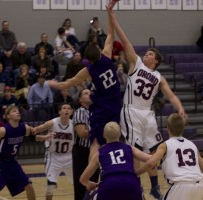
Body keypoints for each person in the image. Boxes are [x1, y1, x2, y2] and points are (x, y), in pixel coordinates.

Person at [107, 1, 186, 199]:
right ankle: (137, 186)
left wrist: (180, 107)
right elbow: (125, 42)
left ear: (156, 61)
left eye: (150, 53)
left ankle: (154, 186)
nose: (146, 54)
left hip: (147, 113)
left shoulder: (159, 77)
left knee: (154, 151)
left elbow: (171, 95)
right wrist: (113, 17)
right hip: (131, 110)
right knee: (135, 150)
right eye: (147, 52)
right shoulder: (137, 64)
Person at [49, 8, 121, 160]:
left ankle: (92, 176)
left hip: (101, 105)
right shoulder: (107, 56)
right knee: (114, 138)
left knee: (95, 141)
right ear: (100, 51)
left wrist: (54, 84)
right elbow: (110, 33)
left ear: (88, 59)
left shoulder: (88, 71)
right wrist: (110, 14)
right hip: (116, 102)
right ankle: (113, 165)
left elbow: (67, 84)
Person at [136, 113, 203, 200]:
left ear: (168, 129)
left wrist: (135, 174)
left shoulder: (165, 145)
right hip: (199, 186)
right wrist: (200, 189)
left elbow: (151, 163)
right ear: (183, 128)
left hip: (180, 186)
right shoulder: (193, 145)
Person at [80, 121, 151, 200]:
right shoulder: (130, 148)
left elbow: (83, 179)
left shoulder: (99, 153)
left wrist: (89, 184)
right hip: (131, 183)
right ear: (120, 134)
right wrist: (137, 173)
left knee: (89, 195)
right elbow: (151, 160)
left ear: (104, 135)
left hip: (109, 184)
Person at [0, 106, 36, 200]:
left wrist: (44, 136)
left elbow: (34, 135)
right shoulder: (3, 130)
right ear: (8, 116)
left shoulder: (24, 127)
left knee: (29, 186)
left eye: (18, 111)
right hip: (0, 163)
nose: (17, 112)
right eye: (14, 111)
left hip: (12, 163)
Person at [32, 103, 74, 200]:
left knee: (79, 183)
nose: (66, 110)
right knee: (50, 187)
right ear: (59, 111)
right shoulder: (52, 123)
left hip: (69, 157)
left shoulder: (74, 125)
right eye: (64, 108)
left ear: (71, 112)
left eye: (68, 108)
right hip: (53, 156)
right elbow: (36, 134)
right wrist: (43, 136)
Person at [72, 89, 99, 200]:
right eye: (85, 93)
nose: (89, 95)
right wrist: (99, 130)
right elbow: (82, 132)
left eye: (90, 93)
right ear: (80, 99)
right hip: (82, 152)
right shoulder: (80, 112)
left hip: (95, 150)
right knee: (81, 185)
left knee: (94, 183)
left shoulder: (96, 111)